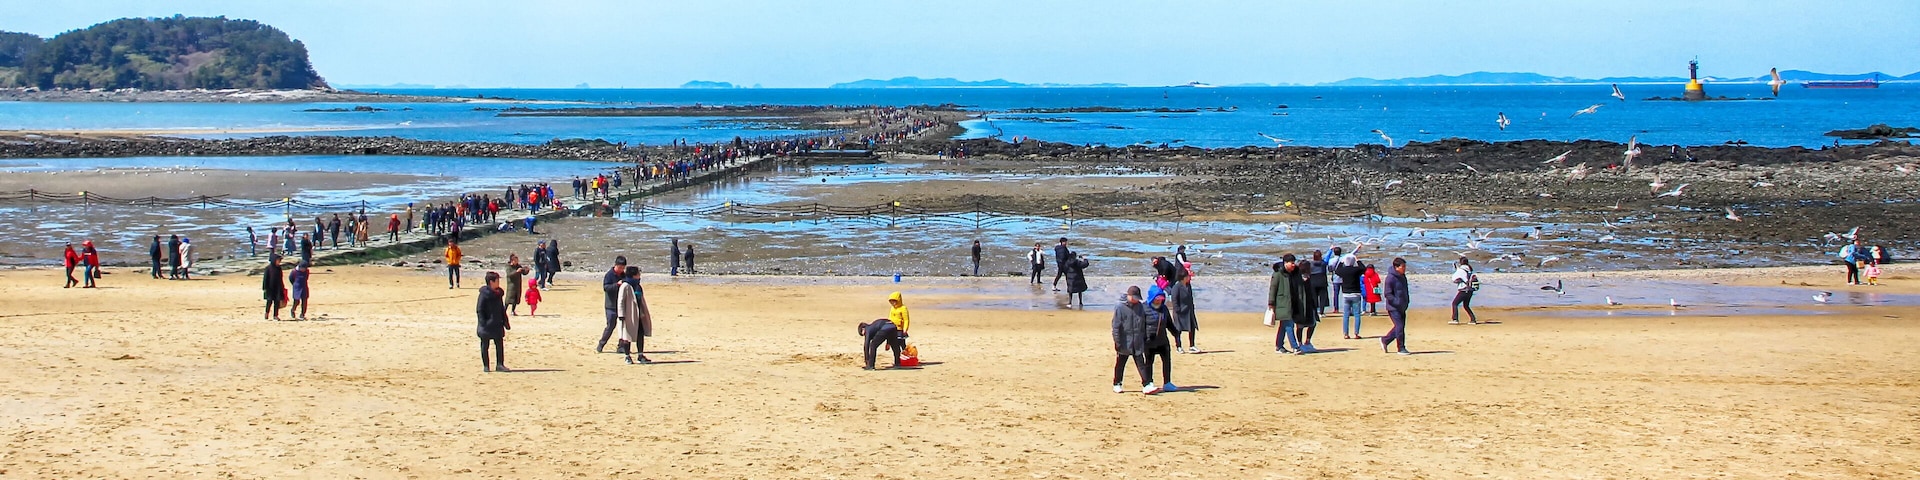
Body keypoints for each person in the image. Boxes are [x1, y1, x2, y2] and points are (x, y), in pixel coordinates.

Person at [1110, 286, 1156, 394]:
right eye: (1134, 297)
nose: (1136, 300)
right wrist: (1117, 341)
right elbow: (1116, 326)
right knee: (1120, 364)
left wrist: (1145, 337)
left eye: (1137, 298)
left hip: (1137, 341)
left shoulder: (1139, 306)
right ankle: (1117, 383)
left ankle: (1146, 384)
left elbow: (1143, 323)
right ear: (1129, 296)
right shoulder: (1119, 307)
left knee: (1141, 364)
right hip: (1124, 341)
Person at [616, 266, 654, 364]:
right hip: (629, 315)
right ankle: (627, 356)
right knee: (627, 336)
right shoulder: (625, 286)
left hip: (639, 315)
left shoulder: (638, 286)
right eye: (638, 274)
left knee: (640, 334)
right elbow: (620, 301)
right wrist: (621, 315)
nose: (639, 276)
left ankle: (640, 355)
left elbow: (641, 299)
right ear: (634, 275)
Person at [1142, 287, 1177, 393]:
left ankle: (1167, 383)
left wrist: (1176, 334)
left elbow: (1169, 323)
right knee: (1148, 362)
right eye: (1158, 297)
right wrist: (1143, 338)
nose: (1160, 300)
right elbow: (1139, 326)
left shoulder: (1164, 308)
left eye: (1162, 297)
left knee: (1167, 361)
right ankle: (1148, 383)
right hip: (1149, 341)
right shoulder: (1143, 308)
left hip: (1163, 340)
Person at [1268, 256, 1305, 354]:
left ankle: (1279, 346)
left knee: (1284, 326)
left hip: (1294, 303)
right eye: (1291, 263)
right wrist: (1271, 303)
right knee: (1289, 325)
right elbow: (1273, 288)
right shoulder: (1278, 274)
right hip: (1282, 303)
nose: (1293, 265)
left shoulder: (1295, 273)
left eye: (1294, 262)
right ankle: (1295, 347)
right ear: (1285, 263)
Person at [476, 271, 511, 372]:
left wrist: (505, 322)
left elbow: (501, 309)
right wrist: (484, 323)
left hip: (497, 324)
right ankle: (486, 366)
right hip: (486, 325)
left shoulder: (498, 293)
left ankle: (500, 365)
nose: (499, 282)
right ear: (491, 282)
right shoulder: (484, 294)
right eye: (497, 280)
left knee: (499, 345)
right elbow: (479, 309)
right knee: (484, 345)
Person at [597, 256, 629, 353]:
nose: (621, 270)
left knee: (623, 326)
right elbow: (606, 288)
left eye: (623, 268)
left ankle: (621, 346)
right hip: (610, 305)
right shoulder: (609, 275)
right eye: (620, 268)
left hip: (622, 305)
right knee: (611, 325)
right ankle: (601, 344)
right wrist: (617, 285)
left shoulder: (624, 275)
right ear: (615, 265)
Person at [1381, 257, 1411, 355]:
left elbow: (1405, 290)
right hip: (1393, 307)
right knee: (1399, 327)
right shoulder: (1390, 278)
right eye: (1403, 267)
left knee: (1400, 327)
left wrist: (1406, 301)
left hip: (1403, 306)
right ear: (1396, 267)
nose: (1404, 268)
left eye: (1405, 266)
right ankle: (1401, 348)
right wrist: (1397, 302)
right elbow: (1387, 294)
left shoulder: (1403, 276)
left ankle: (1385, 340)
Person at [1335, 256, 1365, 339]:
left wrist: (1341, 262)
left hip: (1346, 294)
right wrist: (1358, 260)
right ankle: (1356, 333)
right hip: (1356, 294)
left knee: (1346, 315)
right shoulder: (1356, 270)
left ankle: (1346, 333)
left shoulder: (1343, 270)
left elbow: (1337, 271)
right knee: (1357, 315)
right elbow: (1363, 268)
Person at [1168, 270, 1198, 354]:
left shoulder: (1188, 286)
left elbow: (1190, 297)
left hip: (1189, 311)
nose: (1189, 278)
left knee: (1192, 328)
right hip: (1180, 312)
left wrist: (1192, 307)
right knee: (1178, 330)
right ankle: (1179, 346)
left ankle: (1192, 346)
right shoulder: (1176, 287)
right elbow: (1174, 300)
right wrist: (1178, 310)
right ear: (1183, 277)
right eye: (1188, 276)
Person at [1450, 257, 1480, 325]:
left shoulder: (1460, 270)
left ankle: (1455, 319)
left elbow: (1454, 279)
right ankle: (1473, 320)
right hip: (1470, 290)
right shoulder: (1469, 270)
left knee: (1454, 304)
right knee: (1466, 305)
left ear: (1461, 262)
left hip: (1464, 290)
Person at [262, 254, 286, 321]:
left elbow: (281, 278)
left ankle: (275, 315)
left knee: (277, 302)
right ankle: (267, 313)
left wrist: (282, 287)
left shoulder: (279, 268)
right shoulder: (268, 268)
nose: (279, 262)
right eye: (278, 260)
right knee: (269, 302)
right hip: (270, 288)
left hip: (278, 288)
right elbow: (265, 279)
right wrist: (264, 288)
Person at [1308, 250, 1329, 317]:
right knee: (1322, 297)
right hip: (1322, 281)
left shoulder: (1310, 264)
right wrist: (1330, 250)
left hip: (1313, 282)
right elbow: (1327, 258)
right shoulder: (1323, 263)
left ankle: (1315, 312)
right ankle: (1321, 312)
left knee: (1314, 297)